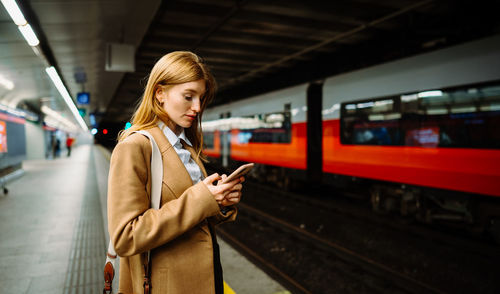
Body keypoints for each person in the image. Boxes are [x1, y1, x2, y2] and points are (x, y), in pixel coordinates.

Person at [107, 51, 244, 294]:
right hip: (167, 285)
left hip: (206, 279)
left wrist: (219, 203)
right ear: (160, 93)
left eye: (201, 98)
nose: (197, 107)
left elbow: (195, 215)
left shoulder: (186, 146)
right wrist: (203, 198)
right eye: (188, 96)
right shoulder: (135, 147)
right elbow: (125, 236)